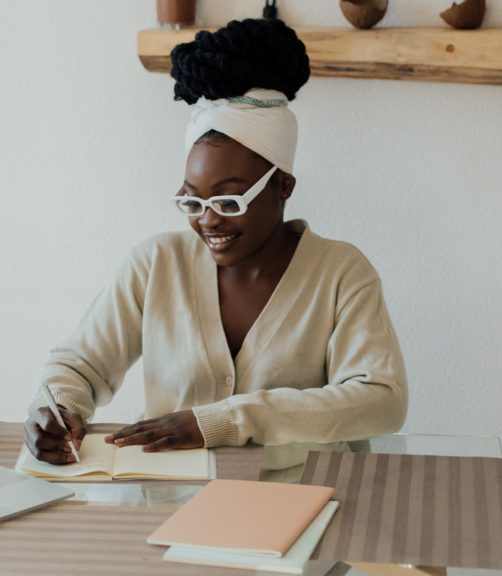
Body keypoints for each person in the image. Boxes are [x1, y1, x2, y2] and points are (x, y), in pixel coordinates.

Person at [24, 18, 407, 464]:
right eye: (191, 201)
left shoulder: (341, 273)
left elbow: (381, 400)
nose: (207, 221)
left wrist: (227, 420)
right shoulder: (155, 265)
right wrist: (54, 409)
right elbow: (78, 365)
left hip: (299, 503)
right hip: (168, 504)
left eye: (228, 201)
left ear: (282, 184)